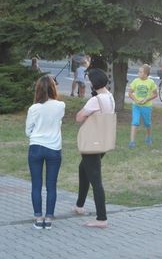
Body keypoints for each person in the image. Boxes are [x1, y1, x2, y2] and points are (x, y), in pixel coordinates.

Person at [74, 68, 115, 228]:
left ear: (93, 83)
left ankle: (102, 218)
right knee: (83, 169)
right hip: (103, 141)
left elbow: (79, 118)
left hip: (92, 142)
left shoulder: (95, 100)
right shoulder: (109, 97)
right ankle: (79, 205)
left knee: (95, 180)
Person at [25, 75, 64, 229]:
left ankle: (38, 217)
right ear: (54, 88)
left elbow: (28, 131)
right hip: (54, 148)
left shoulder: (34, 108)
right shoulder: (60, 105)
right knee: (51, 185)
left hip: (36, 147)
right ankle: (48, 218)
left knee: (36, 184)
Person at [128, 64, 157, 148]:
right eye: (139, 72)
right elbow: (130, 93)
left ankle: (148, 137)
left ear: (146, 74)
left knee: (147, 123)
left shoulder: (151, 82)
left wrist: (146, 100)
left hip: (146, 107)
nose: (138, 73)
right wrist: (136, 100)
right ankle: (132, 142)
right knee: (135, 122)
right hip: (136, 106)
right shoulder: (136, 81)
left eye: (140, 72)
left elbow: (155, 94)